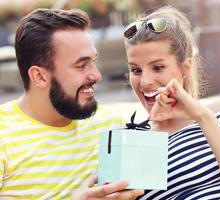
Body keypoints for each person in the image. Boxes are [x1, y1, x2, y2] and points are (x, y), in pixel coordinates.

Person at [123, 6, 220, 199]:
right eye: (136, 70)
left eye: (158, 67)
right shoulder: (133, 143)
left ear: (185, 67)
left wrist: (202, 116)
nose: (145, 81)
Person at [0, 8, 144, 199]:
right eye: (81, 65)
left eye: (93, 62)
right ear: (40, 76)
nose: (96, 75)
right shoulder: (4, 136)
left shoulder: (112, 126)